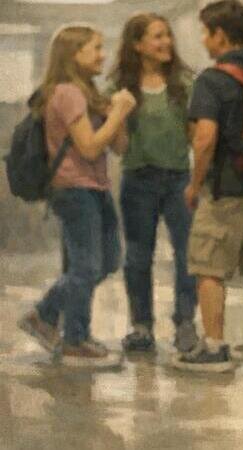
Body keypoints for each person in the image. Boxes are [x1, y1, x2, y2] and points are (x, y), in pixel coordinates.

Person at [171, 0, 243, 372]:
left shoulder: (212, 79)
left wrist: (195, 183)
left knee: (210, 267)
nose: (204, 40)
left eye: (206, 33)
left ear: (220, 35)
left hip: (227, 190)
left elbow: (205, 137)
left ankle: (214, 347)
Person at [17, 24, 137, 367]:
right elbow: (89, 147)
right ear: (73, 54)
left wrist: (117, 116)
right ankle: (71, 336)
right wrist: (118, 112)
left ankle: (52, 319)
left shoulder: (87, 92)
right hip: (74, 189)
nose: (102, 55)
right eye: (95, 48)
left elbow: (119, 146)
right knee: (86, 267)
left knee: (107, 260)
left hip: (96, 187)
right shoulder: (66, 92)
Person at [109, 13, 198, 354]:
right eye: (157, 36)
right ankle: (141, 326)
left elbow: (194, 136)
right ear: (137, 44)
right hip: (138, 179)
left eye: (167, 35)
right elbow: (118, 147)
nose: (166, 42)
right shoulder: (119, 87)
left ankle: (185, 323)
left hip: (178, 179)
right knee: (137, 256)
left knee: (187, 254)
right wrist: (119, 114)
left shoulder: (184, 83)